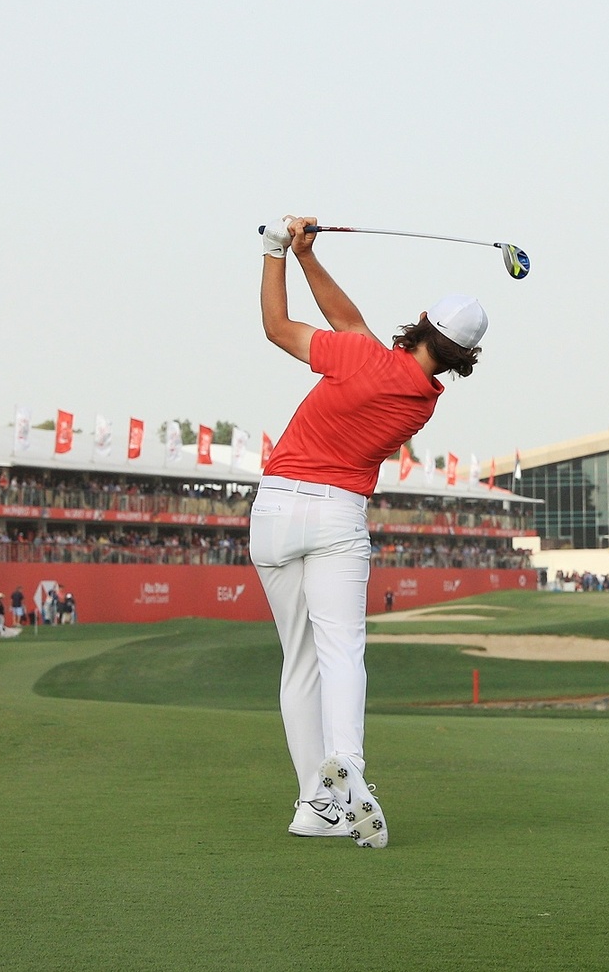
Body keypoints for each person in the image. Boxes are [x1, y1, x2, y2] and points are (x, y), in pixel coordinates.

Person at [253, 215, 487, 846]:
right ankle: (348, 769)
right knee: (341, 653)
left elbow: (279, 327)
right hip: (335, 517)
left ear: (417, 321)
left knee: (298, 662)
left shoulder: (359, 355)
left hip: (273, 510)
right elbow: (351, 324)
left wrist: (276, 250)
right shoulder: (422, 400)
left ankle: (314, 804)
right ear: (461, 360)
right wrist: (308, 259)